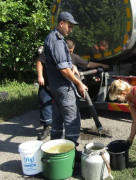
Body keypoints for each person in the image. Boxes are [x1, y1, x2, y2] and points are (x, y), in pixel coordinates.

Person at [44, 11, 88, 155]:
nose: (70, 30)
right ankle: (71, 153)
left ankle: (54, 147)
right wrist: (79, 83)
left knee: (57, 118)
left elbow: (62, 63)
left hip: (55, 87)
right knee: (71, 119)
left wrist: (72, 66)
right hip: (63, 87)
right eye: (69, 26)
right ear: (61, 23)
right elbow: (63, 69)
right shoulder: (56, 40)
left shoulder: (53, 37)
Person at [36, 46, 52, 140]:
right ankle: (47, 127)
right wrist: (40, 76)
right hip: (46, 83)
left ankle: (61, 129)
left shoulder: (67, 52)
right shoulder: (48, 51)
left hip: (59, 85)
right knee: (44, 102)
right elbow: (39, 61)